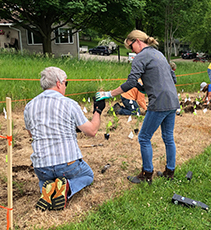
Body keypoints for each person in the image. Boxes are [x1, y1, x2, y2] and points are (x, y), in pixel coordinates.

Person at [95, 30, 180, 184]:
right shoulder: (158, 54)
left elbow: (130, 82)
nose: (131, 51)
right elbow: (172, 78)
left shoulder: (141, 57)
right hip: (173, 101)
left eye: (131, 46)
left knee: (144, 137)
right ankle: (170, 172)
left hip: (159, 103)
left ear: (137, 41)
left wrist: (110, 93)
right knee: (168, 137)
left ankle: (147, 174)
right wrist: (144, 87)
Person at [24, 67, 105, 211]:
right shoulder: (69, 104)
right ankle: (67, 188)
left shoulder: (29, 106)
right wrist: (98, 110)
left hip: (42, 167)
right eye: (66, 83)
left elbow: (32, 135)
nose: (66, 87)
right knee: (88, 175)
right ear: (59, 83)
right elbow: (92, 131)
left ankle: (47, 189)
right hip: (67, 164)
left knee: (45, 179)